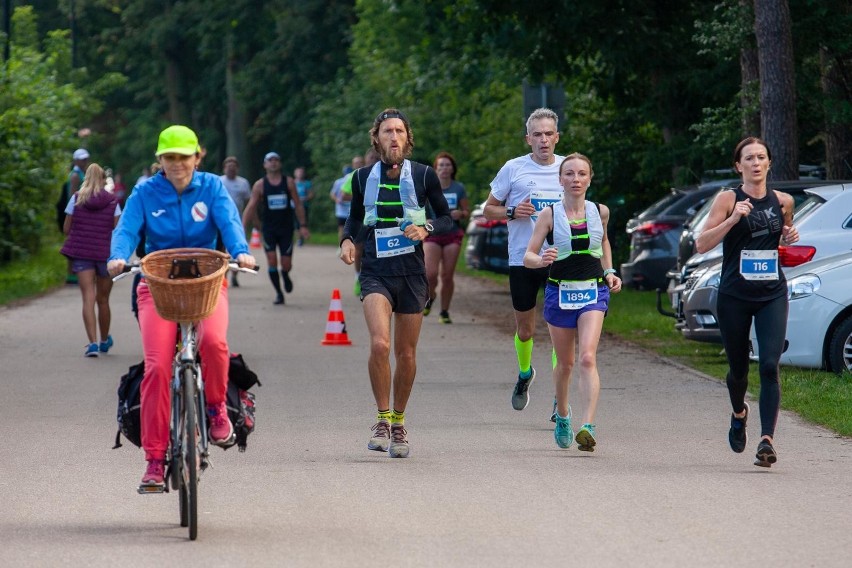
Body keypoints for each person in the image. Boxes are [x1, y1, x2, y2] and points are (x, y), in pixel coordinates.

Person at [108, 125, 257, 488]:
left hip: (206, 284)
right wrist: (117, 256)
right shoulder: (145, 191)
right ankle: (155, 460)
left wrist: (241, 252)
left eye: (184, 157)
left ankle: (216, 409)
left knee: (214, 344)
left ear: (197, 156)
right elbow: (126, 230)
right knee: (158, 367)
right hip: (156, 287)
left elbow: (230, 223)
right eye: (169, 157)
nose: (177, 164)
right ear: (160, 159)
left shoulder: (211, 187)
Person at [339, 108, 452, 458]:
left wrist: (426, 228)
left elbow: (446, 218)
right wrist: (346, 241)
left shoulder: (423, 176)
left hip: (412, 275)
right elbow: (356, 218)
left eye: (399, 131)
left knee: (406, 353)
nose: (394, 137)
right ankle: (382, 418)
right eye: (387, 131)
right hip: (375, 271)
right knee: (379, 345)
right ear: (377, 139)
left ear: (407, 137)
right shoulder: (361, 178)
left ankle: (400, 422)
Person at [695, 136, 798, 468]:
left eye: (761, 157)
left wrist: (788, 236)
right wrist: (732, 219)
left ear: (769, 163)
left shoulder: (783, 201)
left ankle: (766, 440)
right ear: (738, 166)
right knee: (739, 369)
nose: (756, 163)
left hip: (772, 294)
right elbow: (701, 244)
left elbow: (783, 235)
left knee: (769, 365)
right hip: (734, 296)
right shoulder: (728, 199)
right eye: (749, 158)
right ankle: (739, 413)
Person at [522, 153, 621, 450]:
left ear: (590, 178)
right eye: (569, 174)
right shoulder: (549, 215)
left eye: (581, 174)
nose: (575, 179)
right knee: (565, 363)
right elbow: (528, 256)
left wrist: (610, 271)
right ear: (560, 179)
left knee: (587, 357)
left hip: (593, 291)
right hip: (559, 292)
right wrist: (541, 260)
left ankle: (587, 426)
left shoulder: (600, 211)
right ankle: (563, 414)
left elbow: (603, 241)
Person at [484, 107, 565, 413]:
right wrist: (511, 211)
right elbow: (487, 208)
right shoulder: (513, 169)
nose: (543, 140)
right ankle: (525, 373)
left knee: (560, 329)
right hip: (523, 259)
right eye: (537, 135)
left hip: (560, 259)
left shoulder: (567, 169)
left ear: (556, 137)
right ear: (527, 138)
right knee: (526, 330)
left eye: (549, 134)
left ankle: (561, 394)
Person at [60, 163, 121, 357]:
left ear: (86, 178)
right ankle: (104, 340)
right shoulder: (112, 201)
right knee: (103, 300)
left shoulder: (76, 199)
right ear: (103, 180)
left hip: (82, 254)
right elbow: (118, 231)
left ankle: (92, 344)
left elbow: (66, 229)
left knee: (88, 297)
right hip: (105, 255)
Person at [242, 152, 309, 304]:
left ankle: (285, 275)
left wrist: (303, 225)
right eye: (270, 160)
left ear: (280, 164)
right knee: (272, 260)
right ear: (265, 165)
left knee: (286, 264)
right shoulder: (260, 185)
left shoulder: (289, 182)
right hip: (269, 229)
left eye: (276, 160)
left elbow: (298, 205)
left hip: (286, 229)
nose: (273, 163)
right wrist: (242, 227)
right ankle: (279, 293)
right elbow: (251, 207)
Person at [423, 151, 469, 324]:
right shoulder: (428, 188)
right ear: (435, 169)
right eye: (441, 165)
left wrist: (461, 213)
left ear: (452, 169)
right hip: (432, 234)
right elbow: (419, 210)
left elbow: (466, 211)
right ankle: (430, 297)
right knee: (430, 274)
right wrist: (424, 219)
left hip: (452, 234)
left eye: (447, 165)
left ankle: (444, 312)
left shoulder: (458, 188)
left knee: (447, 276)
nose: (444, 168)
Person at [342, 148, 379, 295]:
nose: (373, 160)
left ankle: (375, 279)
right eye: (371, 157)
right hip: (361, 220)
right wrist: (362, 200)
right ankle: (358, 277)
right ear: (366, 159)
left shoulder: (387, 175)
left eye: (376, 158)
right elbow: (344, 195)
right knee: (359, 250)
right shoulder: (356, 175)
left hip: (379, 221)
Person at [57, 148, 91, 284]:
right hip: (76, 214)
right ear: (76, 160)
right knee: (73, 245)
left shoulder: (80, 173)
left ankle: (75, 274)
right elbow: (73, 196)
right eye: (82, 159)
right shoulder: (76, 175)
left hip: (77, 213)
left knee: (76, 244)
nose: (85, 162)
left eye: (86, 159)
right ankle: (71, 275)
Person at [220, 156, 252, 287]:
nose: (231, 169)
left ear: (237, 169)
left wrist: (249, 219)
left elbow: (248, 202)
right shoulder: (219, 181)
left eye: (233, 166)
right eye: (228, 166)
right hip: (220, 223)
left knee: (238, 249)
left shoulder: (243, 183)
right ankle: (224, 277)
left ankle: (234, 275)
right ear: (224, 168)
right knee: (223, 252)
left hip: (237, 221)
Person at [330, 157, 362, 242]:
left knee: (354, 229)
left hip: (353, 209)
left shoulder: (361, 176)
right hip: (341, 210)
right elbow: (333, 194)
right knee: (342, 229)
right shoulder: (340, 181)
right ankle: (342, 245)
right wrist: (337, 199)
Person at [294, 166, 314, 246]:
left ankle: (302, 237)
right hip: (294, 206)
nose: (300, 174)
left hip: (304, 205)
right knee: (295, 224)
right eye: (298, 172)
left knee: (303, 222)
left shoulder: (307, 183)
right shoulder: (292, 183)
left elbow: (311, 194)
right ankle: (298, 239)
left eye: (301, 172)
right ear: (295, 174)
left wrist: (305, 198)